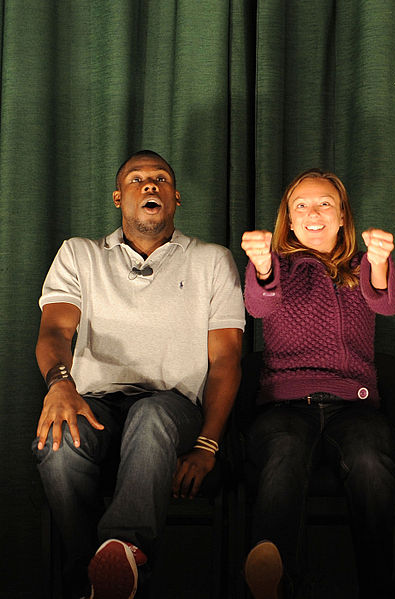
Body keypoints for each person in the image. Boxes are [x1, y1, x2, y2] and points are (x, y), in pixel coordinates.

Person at [32, 149, 245, 599]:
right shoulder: (78, 254)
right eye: (137, 179)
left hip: (174, 409)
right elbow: (54, 329)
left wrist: (208, 446)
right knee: (56, 437)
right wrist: (60, 384)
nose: (150, 185)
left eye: (161, 179)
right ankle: (89, 575)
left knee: (152, 415)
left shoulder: (213, 260)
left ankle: (125, 553)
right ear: (117, 197)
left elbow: (226, 360)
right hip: (98, 405)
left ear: (176, 198)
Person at [241, 168, 395, 599]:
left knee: (370, 461)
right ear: (289, 221)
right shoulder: (275, 265)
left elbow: (384, 302)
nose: (314, 212)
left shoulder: (364, 264)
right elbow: (259, 304)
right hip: (284, 409)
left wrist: (381, 261)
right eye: (301, 206)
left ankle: (379, 586)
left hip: (354, 409)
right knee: (285, 452)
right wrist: (260, 266)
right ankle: (273, 580)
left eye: (325, 203)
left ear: (343, 216)